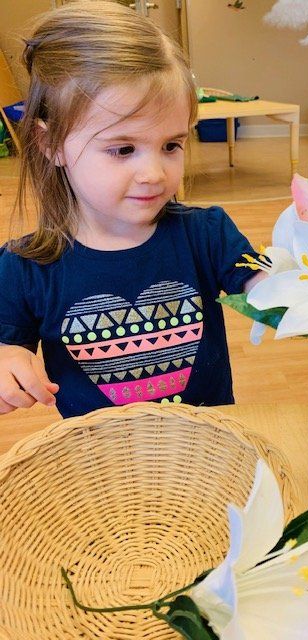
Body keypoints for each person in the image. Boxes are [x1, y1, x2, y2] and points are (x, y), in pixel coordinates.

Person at [0, 0, 264, 418]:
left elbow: (271, 293)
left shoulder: (208, 235)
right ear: (50, 144)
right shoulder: (25, 268)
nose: (154, 173)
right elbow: (6, 348)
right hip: (105, 467)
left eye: (171, 145)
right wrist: (8, 366)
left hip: (208, 452)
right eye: (123, 149)